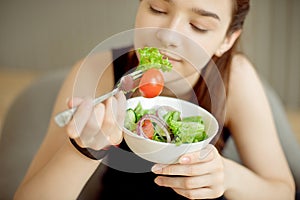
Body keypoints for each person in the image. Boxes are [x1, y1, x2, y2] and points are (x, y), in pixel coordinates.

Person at [14, 0, 295, 199]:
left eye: (198, 26)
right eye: (157, 8)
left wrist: (227, 177)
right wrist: (82, 151)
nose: (168, 36)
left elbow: (282, 191)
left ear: (227, 40)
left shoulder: (237, 79)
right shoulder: (97, 73)